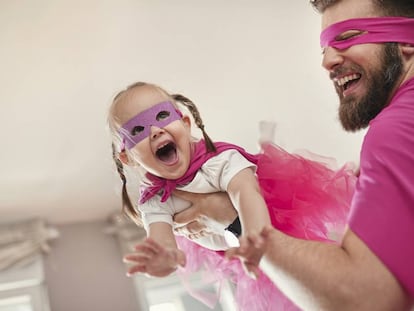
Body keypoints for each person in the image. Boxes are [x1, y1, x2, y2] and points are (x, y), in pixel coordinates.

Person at [173, 0, 414, 309]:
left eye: (346, 37)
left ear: (406, 40)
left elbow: (367, 300)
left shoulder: (396, 127)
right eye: (324, 48)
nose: (327, 62)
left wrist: (237, 221)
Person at [108, 81, 356, 310]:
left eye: (162, 116)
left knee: (320, 278)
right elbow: (161, 238)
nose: (154, 130)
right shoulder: (154, 199)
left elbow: (245, 192)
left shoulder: (218, 161)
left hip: (272, 224)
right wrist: (166, 258)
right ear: (127, 157)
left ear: (185, 122)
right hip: (236, 250)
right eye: (137, 130)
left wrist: (256, 236)